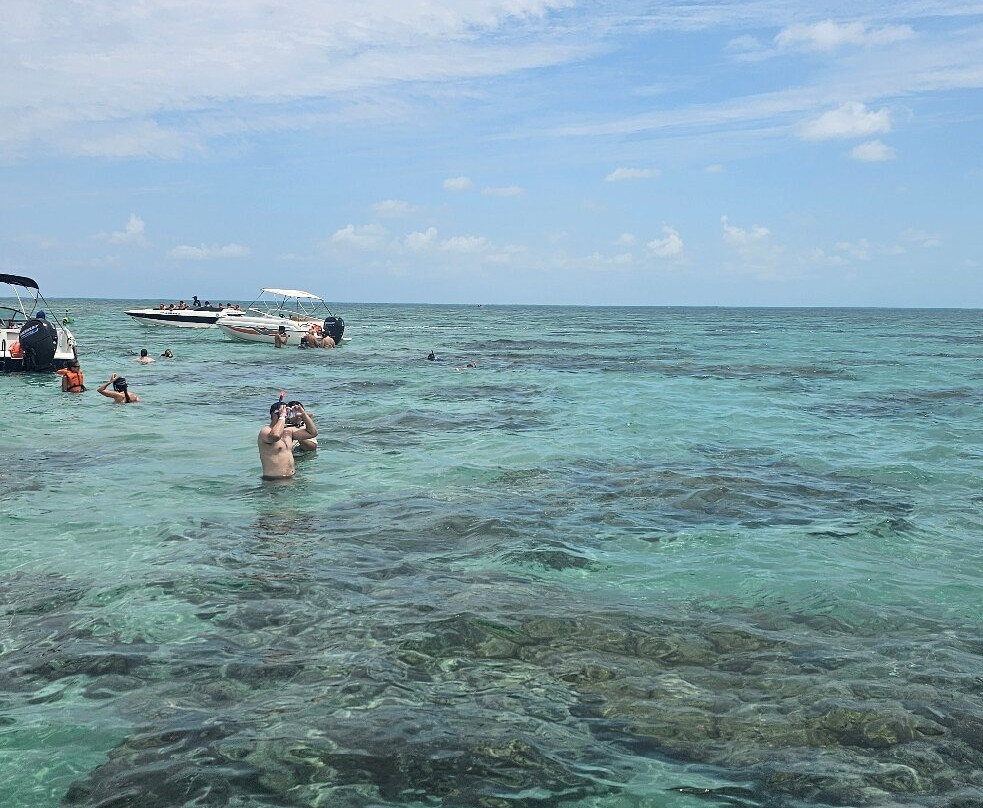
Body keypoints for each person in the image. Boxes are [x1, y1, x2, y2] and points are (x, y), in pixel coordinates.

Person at [258, 400, 317, 480]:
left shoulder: (288, 431)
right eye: (287, 413)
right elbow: (275, 436)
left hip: (291, 478)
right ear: (275, 415)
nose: (288, 416)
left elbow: (312, 433)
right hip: (273, 480)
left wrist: (303, 415)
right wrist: (282, 416)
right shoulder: (265, 431)